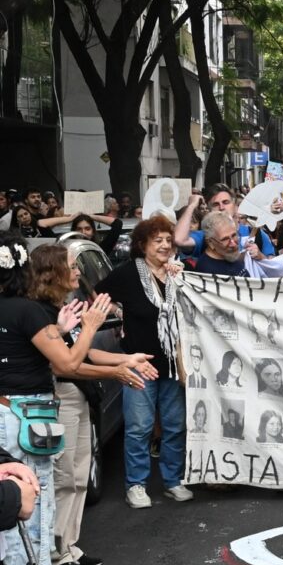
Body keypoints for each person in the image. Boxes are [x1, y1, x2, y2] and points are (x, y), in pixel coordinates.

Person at [25, 245, 154, 565]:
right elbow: (67, 365)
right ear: (52, 272)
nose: (78, 272)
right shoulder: (40, 313)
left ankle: (69, 545)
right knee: (64, 476)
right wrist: (114, 367)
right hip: (61, 397)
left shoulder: (62, 306)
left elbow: (87, 353)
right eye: (71, 266)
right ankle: (56, 552)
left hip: (80, 395)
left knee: (80, 475)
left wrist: (127, 359)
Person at [97, 214, 194, 509]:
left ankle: (172, 480)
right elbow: (98, 294)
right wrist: (119, 313)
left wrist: (181, 277)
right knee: (139, 427)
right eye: (157, 240)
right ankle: (136, 485)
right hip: (138, 364)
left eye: (168, 240)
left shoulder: (179, 273)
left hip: (173, 364)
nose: (164, 245)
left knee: (175, 426)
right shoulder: (128, 273)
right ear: (142, 245)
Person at [173, 185, 276, 264]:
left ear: (235, 205)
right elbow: (179, 240)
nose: (221, 208)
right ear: (209, 210)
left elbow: (274, 269)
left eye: (226, 202)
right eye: (215, 204)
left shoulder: (257, 234)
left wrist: (260, 257)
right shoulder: (205, 236)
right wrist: (191, 206)